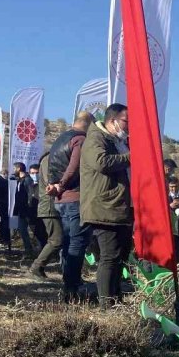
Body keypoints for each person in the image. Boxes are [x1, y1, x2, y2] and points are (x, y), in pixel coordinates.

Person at [79, 103, 132, 307]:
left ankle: (115, 297)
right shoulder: (95, 138)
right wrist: (131, 157)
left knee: (120, 256)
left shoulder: (119, 141)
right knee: (109, 257)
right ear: (112, 121)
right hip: (104, 207)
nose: (129, 127)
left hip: (120, 207)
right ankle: (106, 304)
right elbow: (101, 162)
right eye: (126, 121)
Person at [46, 111, 93, 299]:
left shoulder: (60, 139)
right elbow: (74, 167)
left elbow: (52, 165)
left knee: (67, 242)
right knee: (77, 243)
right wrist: (62, 184)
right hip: (74, 196)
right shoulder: (80, 140)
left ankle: (68, 281)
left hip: (61, 200)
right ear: (89, 124)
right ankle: (72, 286)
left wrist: (54, 185)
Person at [27, 152, 63, 280]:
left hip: (54, 205)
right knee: (56, 239)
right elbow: (51, 183)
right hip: (50, 206)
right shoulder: (50, 159)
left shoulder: (51, 158)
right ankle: (36, 267)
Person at [12, 162, 36, 256]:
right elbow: (18, 197)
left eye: (15, 168)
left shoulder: (27, 180)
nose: (14, 170)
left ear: (19, 169)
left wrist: (29, 209)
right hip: (21, 211)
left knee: (36, 231)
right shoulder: (20, 180)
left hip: (27, 211)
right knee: (22, 231)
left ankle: (41, 249)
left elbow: (31, 195)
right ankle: (28, 250)